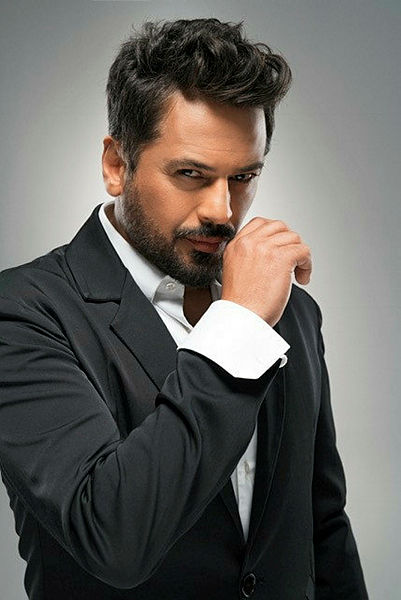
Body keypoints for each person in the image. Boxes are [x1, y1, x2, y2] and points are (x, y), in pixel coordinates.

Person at [0, 18, 368, 600]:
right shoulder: (23, 313)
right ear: (116, 165)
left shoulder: (292, 311)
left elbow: (323, 529)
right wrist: (239, 326)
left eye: (244, 176)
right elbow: (112, 536)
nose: (223, 210)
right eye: (191, 174)